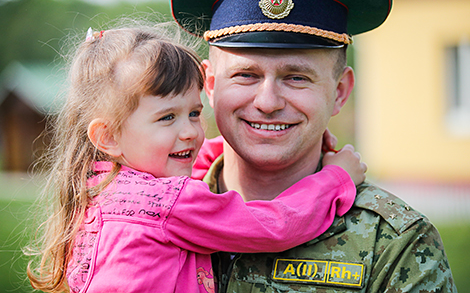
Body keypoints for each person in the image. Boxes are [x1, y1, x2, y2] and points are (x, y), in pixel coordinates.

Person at [26, 24, 367, 293]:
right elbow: (274, 225)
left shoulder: (102, 183)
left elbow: (184, 175)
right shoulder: (168, 205)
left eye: (193, 113)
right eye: (167, 118)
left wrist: (241, 143)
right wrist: (336, 178)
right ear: (108, 137)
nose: (190, 132)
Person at [170, 0, 457, 291]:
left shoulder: (393, 244)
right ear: (210, 85)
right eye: (246, 75)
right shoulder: (144, 211)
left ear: (339, 92)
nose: (267, 103)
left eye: (296, 77)